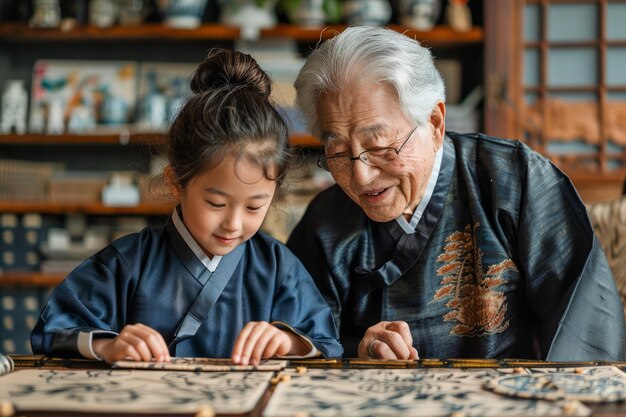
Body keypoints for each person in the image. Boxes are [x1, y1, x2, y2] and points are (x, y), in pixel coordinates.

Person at [287, 26, 626, 361]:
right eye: (339, 151)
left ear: (434, 123)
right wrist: (357, 352)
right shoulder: (325, 222)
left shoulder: (516, 180)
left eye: (379, 146)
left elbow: (585, 331)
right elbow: (304, 348)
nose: (360, 176)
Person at [31, 49, 343, 365]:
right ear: (176, 183)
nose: (233, 224)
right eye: (217, 203)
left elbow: (326, 342)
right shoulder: (129, 262)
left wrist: (287, 340)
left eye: (253, 207)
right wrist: (109, 345)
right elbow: (53, 329)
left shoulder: (278, 268)